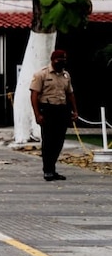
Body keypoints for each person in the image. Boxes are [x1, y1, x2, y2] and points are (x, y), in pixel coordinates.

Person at [30, 49, 78, 182]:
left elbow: (70, 94)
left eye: (64, 60)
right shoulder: (42, 74)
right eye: (59, 60)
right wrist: (37, 114)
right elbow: (34, 95)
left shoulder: (66, 75)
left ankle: (53, 168)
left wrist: (75, 111)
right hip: (47, 109)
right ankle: (48, 170)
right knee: (48, 141)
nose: (62, 63)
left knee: (59, 141)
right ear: (53, 60)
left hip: (62, 110)